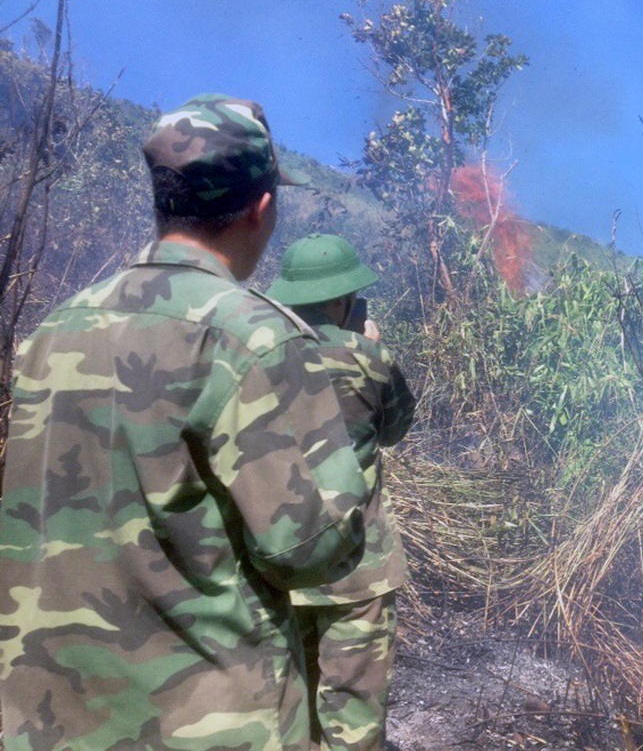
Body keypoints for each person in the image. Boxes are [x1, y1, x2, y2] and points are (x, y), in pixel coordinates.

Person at [0, 94, 368, 751]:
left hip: (45, 714)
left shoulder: (54, 333)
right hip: (206, 723)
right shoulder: (254, 337)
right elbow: (311, 550)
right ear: (262, 210)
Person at [266, 234, 416, 751]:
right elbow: (395, 429)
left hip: (277, 561)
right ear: (344, 299)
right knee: (353, 713)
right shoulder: (371, 358)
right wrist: (369, 346)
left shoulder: (259, 356)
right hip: (358, 565)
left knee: (286, 709)